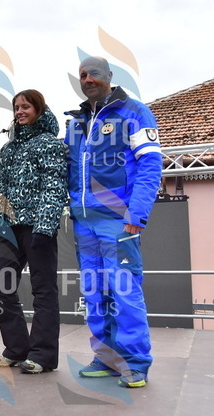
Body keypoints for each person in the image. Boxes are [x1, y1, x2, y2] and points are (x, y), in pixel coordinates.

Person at [64, 57, 162, 388]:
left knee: (124, 289)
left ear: (109, 76)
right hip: (84, 221)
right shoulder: (76, 123)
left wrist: (138, 212)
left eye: (94, 73)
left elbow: (150, 164)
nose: (88, 79)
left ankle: (135, 362)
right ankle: (106, 358)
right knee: (94, 292)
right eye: (82, 75)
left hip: (118, 220)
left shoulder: (134, 112)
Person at [0, 89, 67, 374]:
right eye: (17, 107)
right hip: (9, 229)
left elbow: (54, 186)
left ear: (39, 110)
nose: (20, 111)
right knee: (2, 287)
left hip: (37, 227)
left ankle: (43, 355)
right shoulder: (7, 149)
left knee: (43, 290)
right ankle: (16, 349)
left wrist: (45, 226)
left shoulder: (49, 144)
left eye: (26, 107)